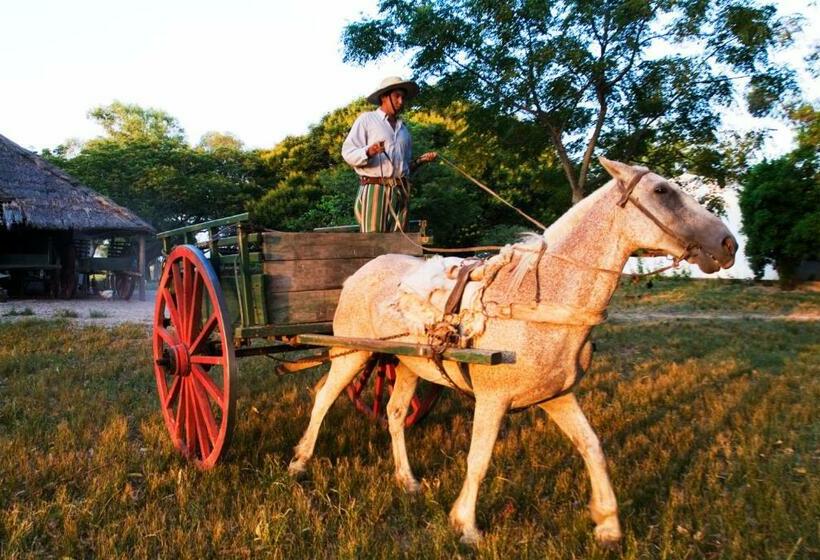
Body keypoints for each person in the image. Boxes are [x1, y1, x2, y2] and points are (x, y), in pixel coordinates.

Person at [342, 76, 438, 233]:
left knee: (399, 244)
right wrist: (369, 151)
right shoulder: (367, 120)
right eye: (397, 96)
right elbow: (348, 152)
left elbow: (403, 168)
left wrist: (421, 160)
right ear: (384, 97)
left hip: (401, 191)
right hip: (375, 189)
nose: (401, 101)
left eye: (403, 97)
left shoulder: (404, 130)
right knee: (374, 243)